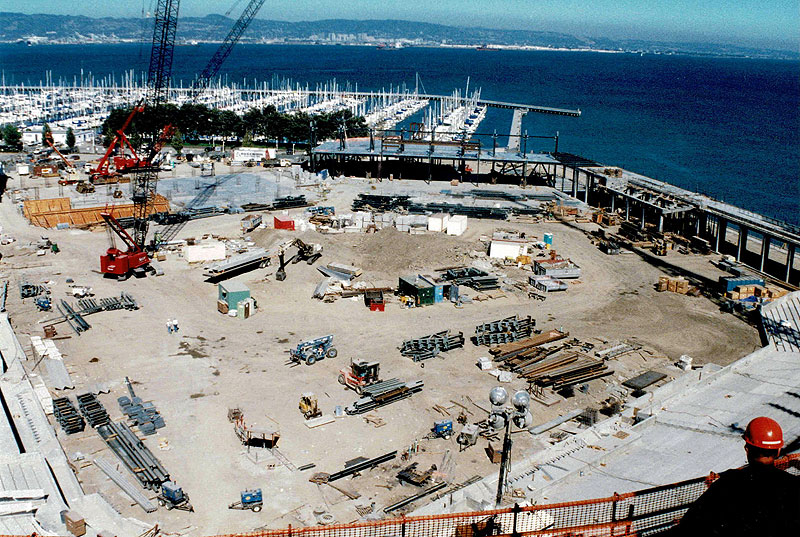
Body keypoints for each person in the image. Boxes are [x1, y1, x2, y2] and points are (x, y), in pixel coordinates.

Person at [669, 416, 800, 536]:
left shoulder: (726, 483)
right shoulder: (794, 486)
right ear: (778, 451)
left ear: (747, 449)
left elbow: (691, 522)